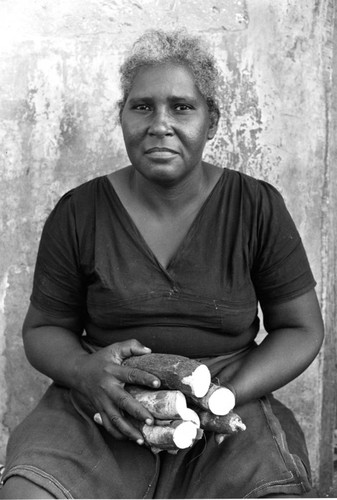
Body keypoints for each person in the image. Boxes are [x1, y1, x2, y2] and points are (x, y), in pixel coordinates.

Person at [0, 29, 324, 499]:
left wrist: (224, 394)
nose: (160, 124)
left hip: (227, 405)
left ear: (212, 122)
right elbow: (43, 329)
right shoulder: (80, 211)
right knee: (29, 493)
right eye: (142, 107)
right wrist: (85, 373)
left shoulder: (255, 207)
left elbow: (302, 329)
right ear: (123, 117)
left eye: (182, 107)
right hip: (104, 404)